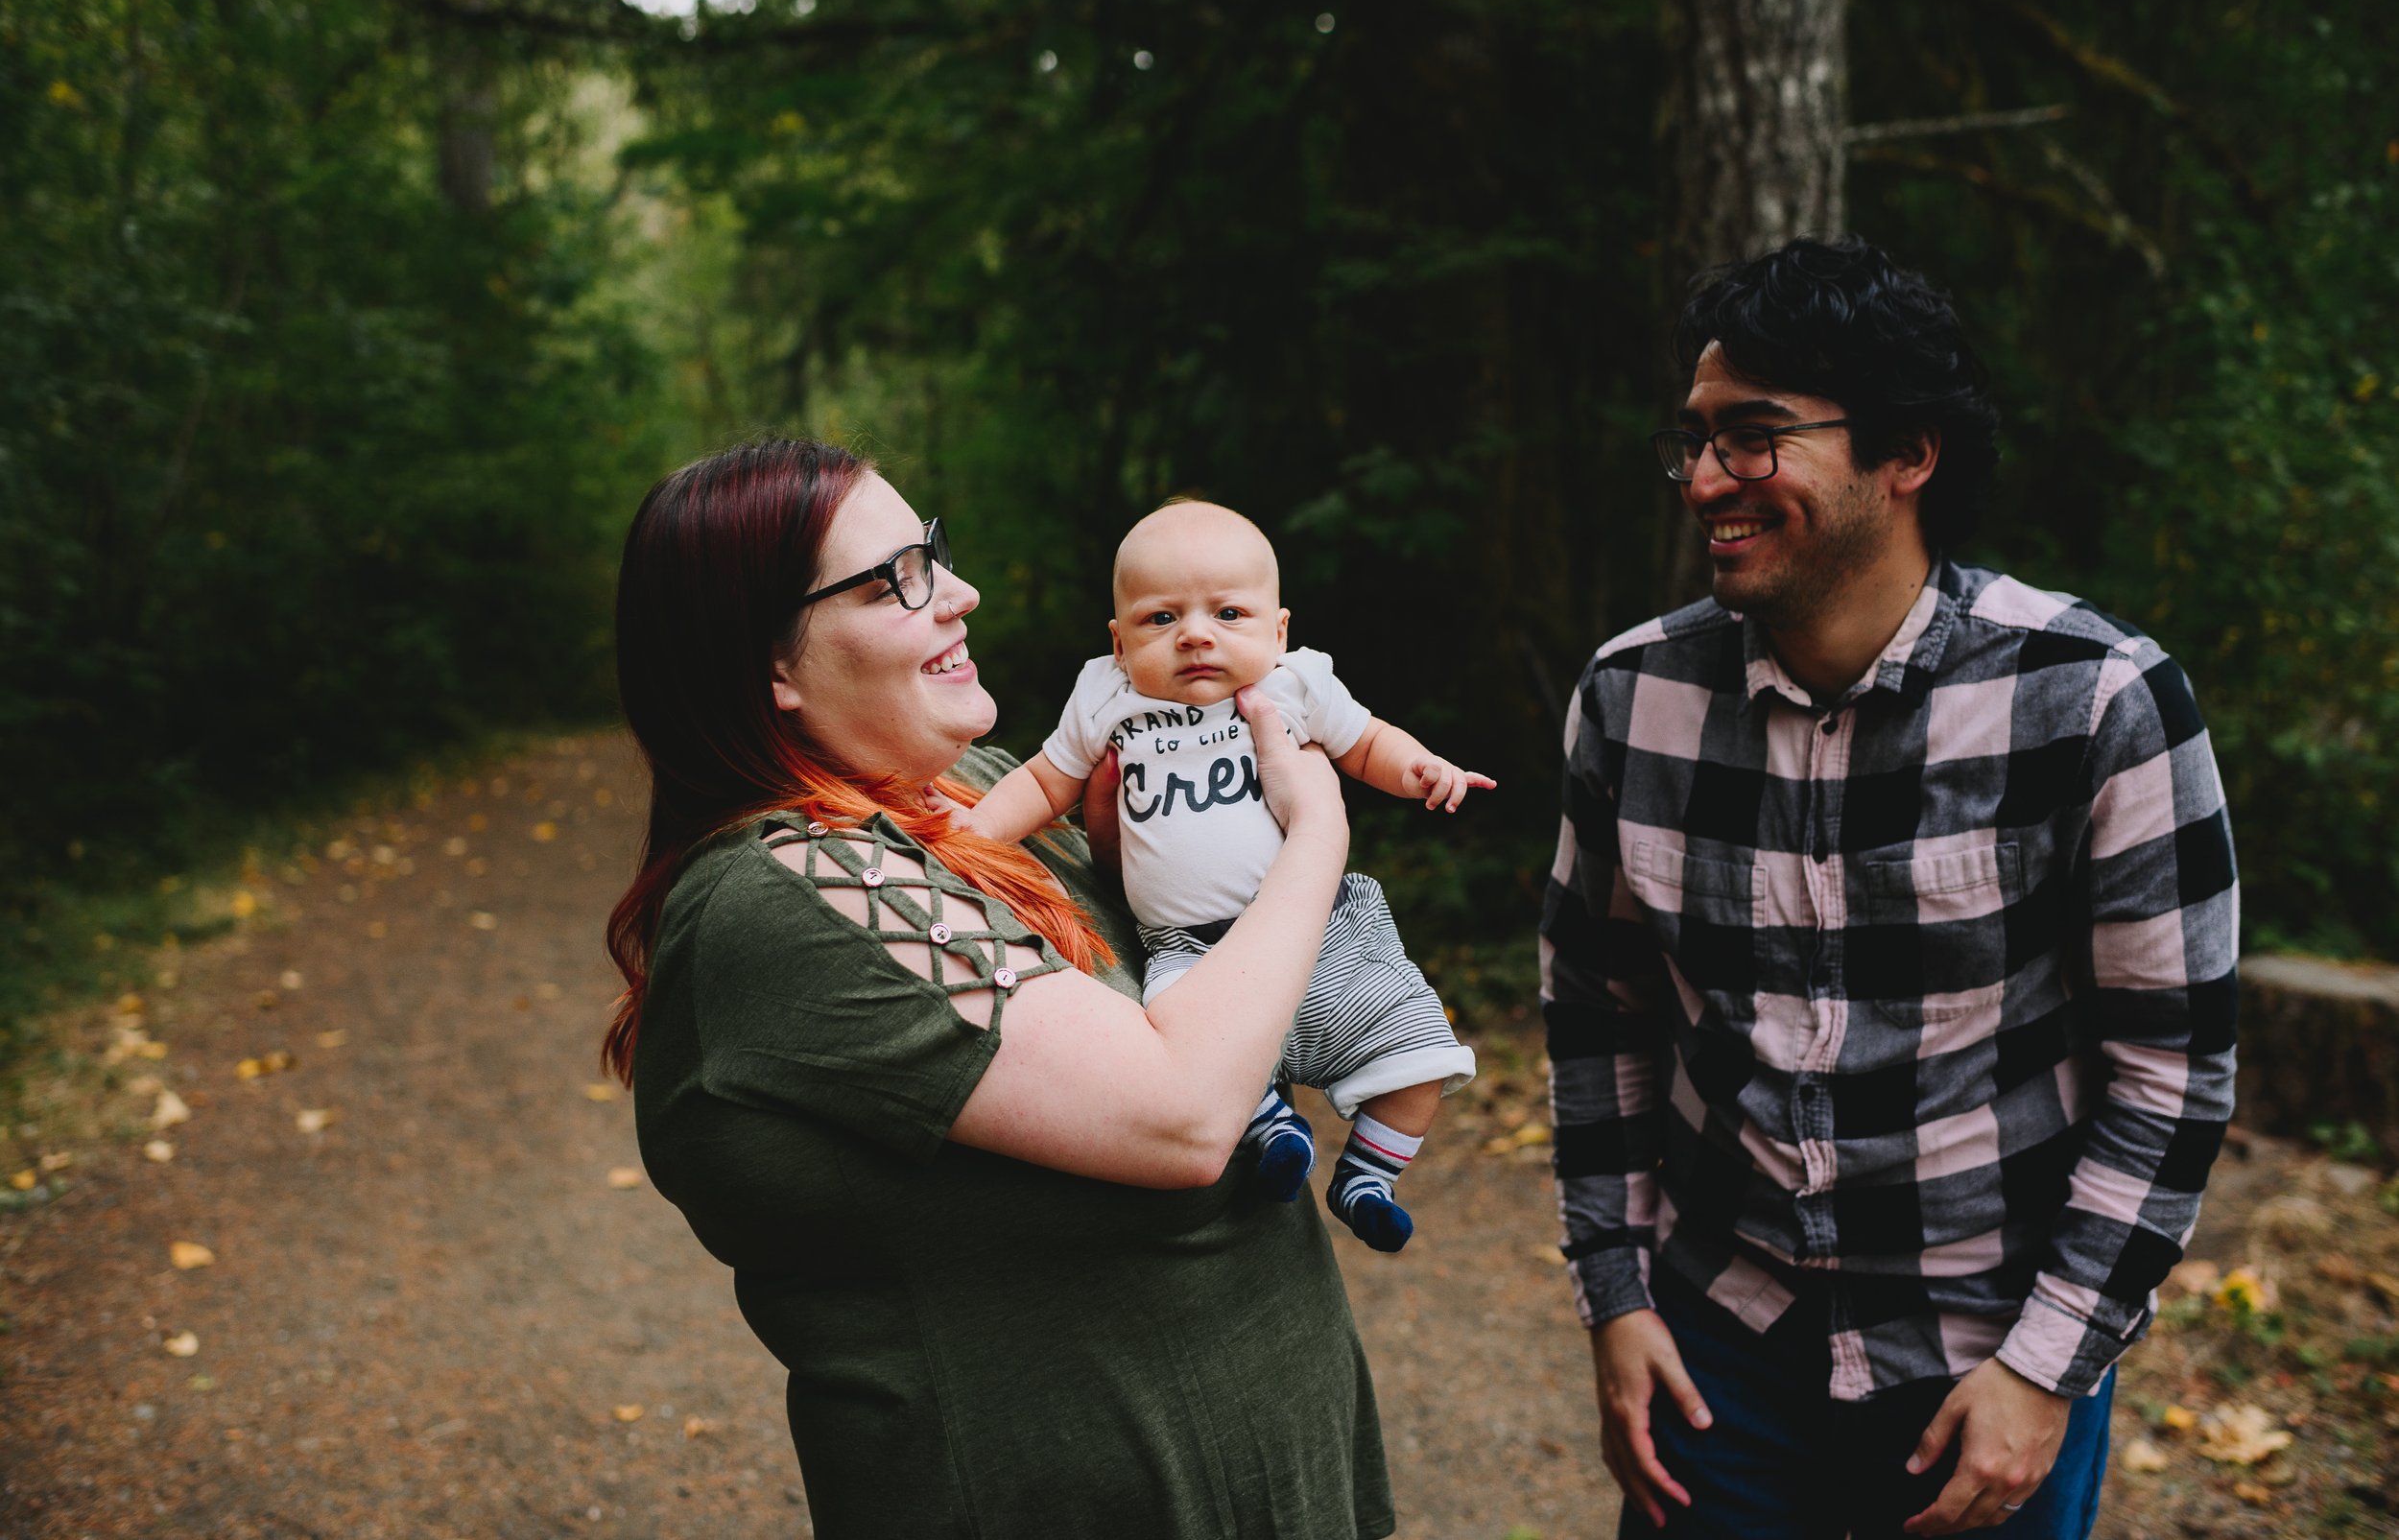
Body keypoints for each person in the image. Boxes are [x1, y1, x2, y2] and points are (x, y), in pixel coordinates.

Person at [1540, 237, 2238, 1538]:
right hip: (1716, 1348)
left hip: (1987, 1354)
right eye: (1692, 439)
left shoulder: (2097, 698)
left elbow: (2170, 1066)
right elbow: (1599, 1012)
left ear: (1906, 452)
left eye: (1752, 437)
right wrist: (1617, 1294)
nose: (1703, 478)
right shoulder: (1632, 700)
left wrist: (2044, 1370)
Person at [603, 439, 1394, 1540]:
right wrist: (1316, 834)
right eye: (894, 581)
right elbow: (1180, 1113)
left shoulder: (959, 792)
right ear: (770, 667)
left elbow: (1153, 992)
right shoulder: (796, 882)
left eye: (934, 551)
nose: (960, 593)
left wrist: (1132, 869)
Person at [962, 501, 1488, 1252]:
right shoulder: (1109, 699)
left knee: (1420, 1055)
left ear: (1277, 630)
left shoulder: (1294, 685)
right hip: (1189, 949)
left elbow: (1367, 743)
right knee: (1187, 1047)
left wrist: (1423, 770)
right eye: (1160, 618)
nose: (1196, 634)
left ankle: (1368, 1173)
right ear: (1117, 642)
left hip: (1326, 934)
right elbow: (1047, 783)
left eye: (1229, 612)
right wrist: (971, 835)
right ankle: (1270, 1126)